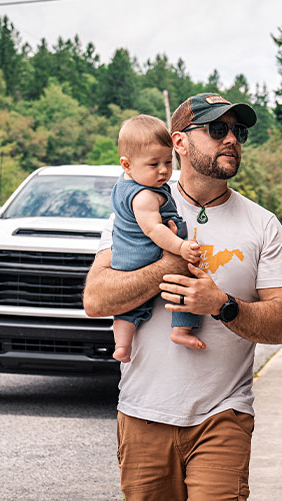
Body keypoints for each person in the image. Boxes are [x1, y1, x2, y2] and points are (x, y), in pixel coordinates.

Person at [83, 93, 282, 501]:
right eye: (217, 130)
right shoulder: (135, 211)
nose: (232, 140)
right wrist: (167, 265)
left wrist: (221, 303)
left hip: (222, 415)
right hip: (143, 414)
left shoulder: (263, 226)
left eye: (238, 132)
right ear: (179, 142)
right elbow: (96, 299)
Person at [109, 114, 203, 361]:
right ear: (126, 165)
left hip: (125, 260)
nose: (163, 171)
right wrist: (180, 247)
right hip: (147, 256)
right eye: (153, 165)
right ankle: (181, 329)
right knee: (184, 287)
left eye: (167, 162)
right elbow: (154, 230)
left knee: (128, 309)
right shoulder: (145, 196)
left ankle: (122, 346)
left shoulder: (125, 185)